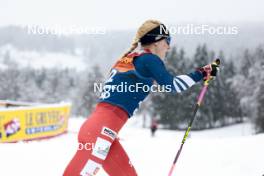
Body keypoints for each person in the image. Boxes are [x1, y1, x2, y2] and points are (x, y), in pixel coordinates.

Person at [63, 19, 218, 176]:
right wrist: (201, 73)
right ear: (156, 41)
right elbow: (173, 85)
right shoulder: (148, 59)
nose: (169, 47)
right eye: (167, 40)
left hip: (102, 133)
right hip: (100, 135)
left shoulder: (131, 58)